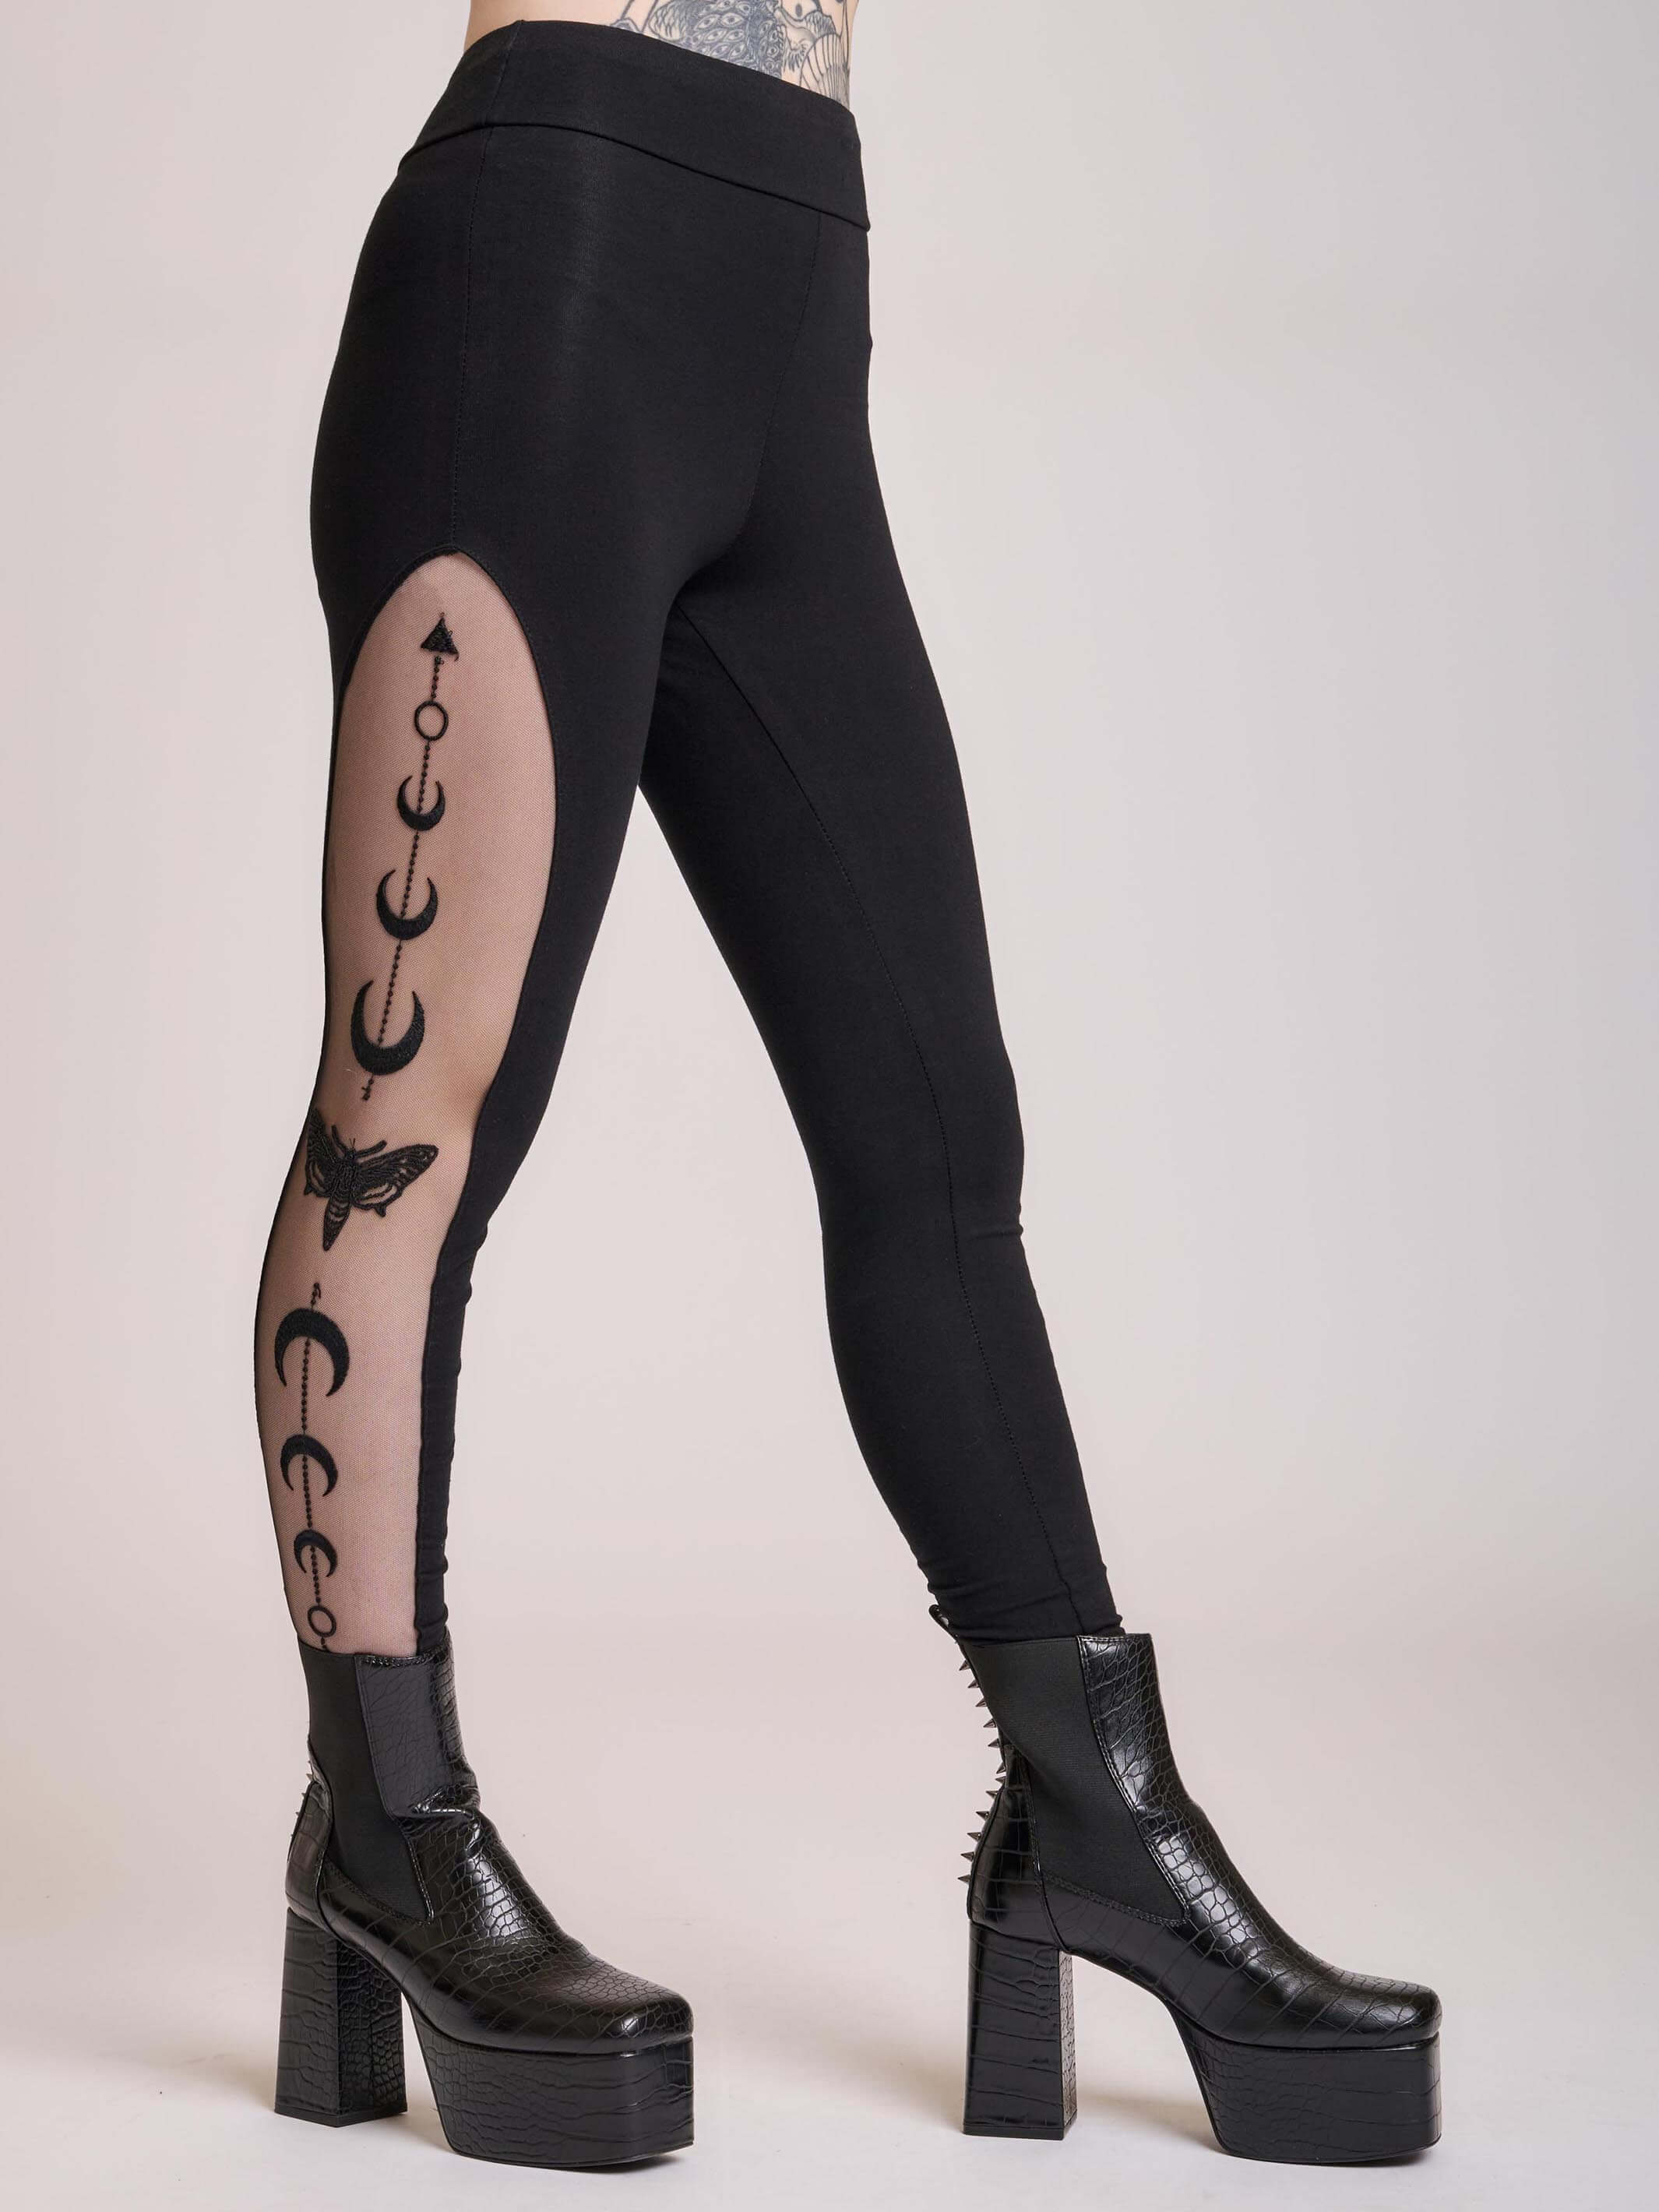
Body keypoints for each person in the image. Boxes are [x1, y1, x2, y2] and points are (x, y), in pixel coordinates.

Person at [257, 2, 1440, 2171]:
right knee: (413, 1113)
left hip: (795, 284)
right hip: (546, 256)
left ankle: (1097, 1824)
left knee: (935, 1137)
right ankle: (391, 1826)